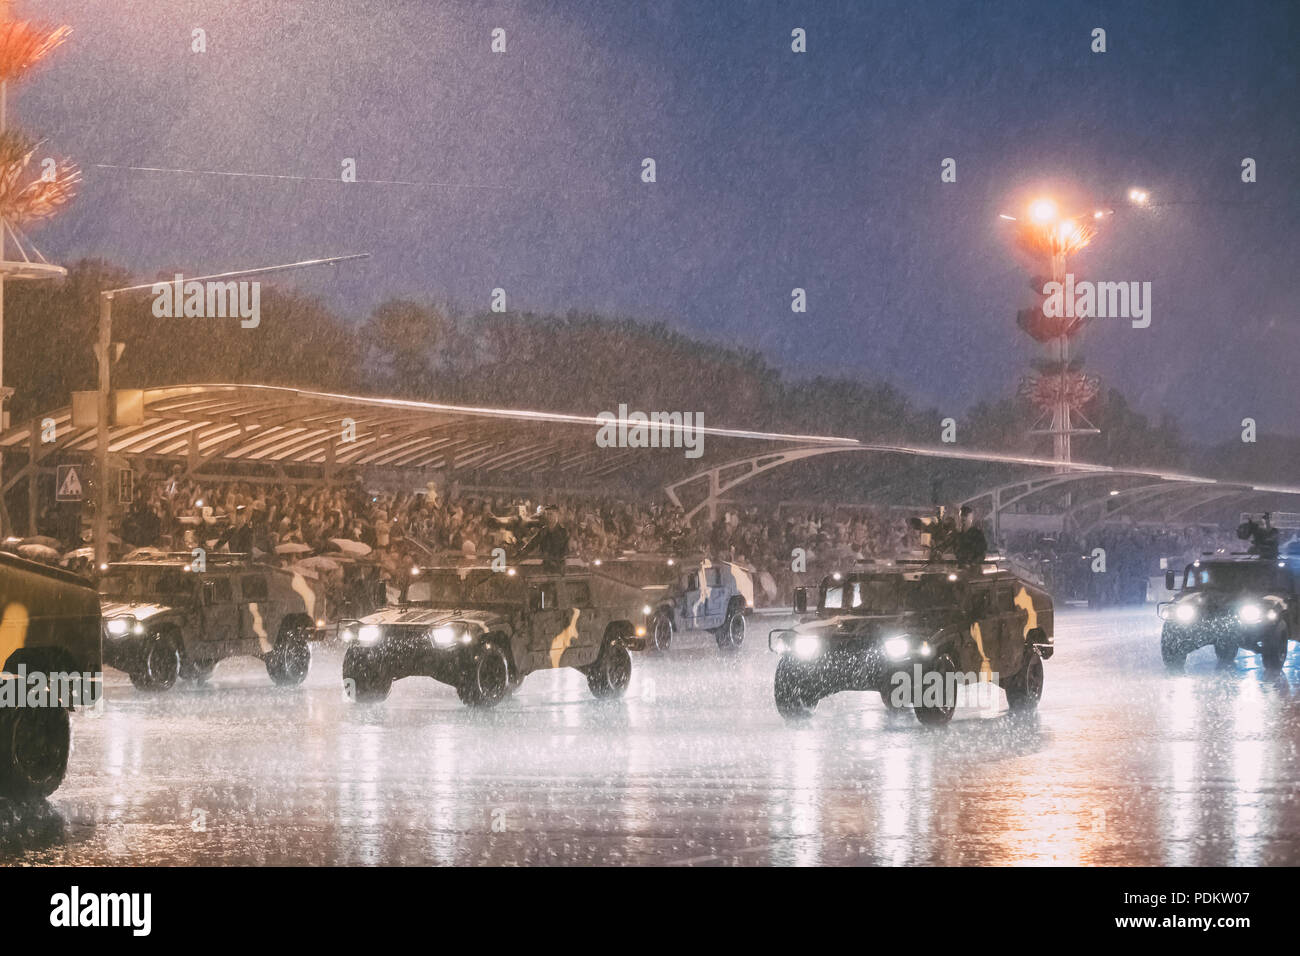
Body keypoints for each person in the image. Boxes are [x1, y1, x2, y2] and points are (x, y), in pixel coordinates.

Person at [517, 505, 570, 573]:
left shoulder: (563, 532)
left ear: (556, 515)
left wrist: (555, 560)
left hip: (559, 567)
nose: (549, 517)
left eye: (551, 514)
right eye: (547, 514)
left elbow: (565, 551)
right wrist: (520, 553)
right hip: (546, 566)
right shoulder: (543, 531)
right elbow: (532, 544)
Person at [954, 505, 988, 569]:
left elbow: (982, 554)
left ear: (971, 517)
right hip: (960, 570)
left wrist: (972, 564)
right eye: (961, 515)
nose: (963, 518)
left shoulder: (977, 535)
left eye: (965, 515)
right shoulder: (958, 535)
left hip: (974, 571)